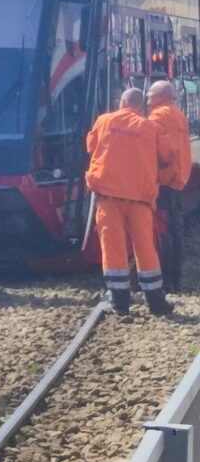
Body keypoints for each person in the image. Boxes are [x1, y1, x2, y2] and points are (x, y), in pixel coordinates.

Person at [85, 87, 173, 316]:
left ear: (121, 103)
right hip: (139, 199)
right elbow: (167, 154)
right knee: (145, 247)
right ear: (140, 106)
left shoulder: (104, 121)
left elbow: (90, 147)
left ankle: (120, 302)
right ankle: (155, 300)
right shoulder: (152, 128)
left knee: (113, 248)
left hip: (108, 196)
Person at [148, 80, 192, 293]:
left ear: (160, 96)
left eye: (150, 94)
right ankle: (177, 279)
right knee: (176, 231)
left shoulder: (158, 116)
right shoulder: (177, 114)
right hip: (178, 180)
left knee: (163, 232)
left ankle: (166, 280)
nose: (147, 99)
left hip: (164, 181)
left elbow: (165, 151)